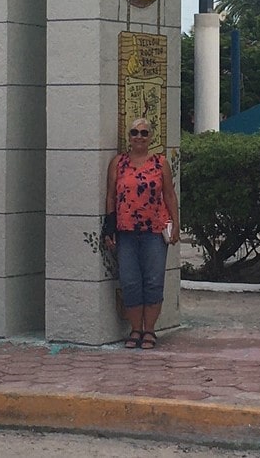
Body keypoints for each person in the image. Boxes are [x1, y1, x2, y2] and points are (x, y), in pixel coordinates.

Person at [102, 117, 177, 349]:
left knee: (154, 280)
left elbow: (169, 195)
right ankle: (135, 329)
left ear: (150, 137)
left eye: (144, 133)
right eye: (135, 133)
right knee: (130, 281)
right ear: (129, 136)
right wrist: (109, 227)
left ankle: (150, 330)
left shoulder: (160, 163)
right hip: (126, 231)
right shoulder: (118, 163)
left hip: (154, 230)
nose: (139, 137)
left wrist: (176, 222)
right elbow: (111, 196)